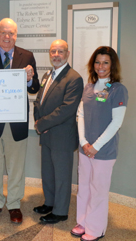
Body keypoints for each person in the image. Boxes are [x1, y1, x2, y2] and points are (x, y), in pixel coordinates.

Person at [0, 18, 40, 224]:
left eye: (11, 33)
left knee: (16, 166)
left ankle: (13, 204)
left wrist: (30, 78)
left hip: (16, 123)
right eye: (3, 32)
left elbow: (34, 88)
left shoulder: (27, 56)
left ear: (16, 35)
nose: (7, 36)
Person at [70, 47, 128, 241]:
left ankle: (96, 229)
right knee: (84, 186)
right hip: (85, 149)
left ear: (112, 65)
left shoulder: (118, 90)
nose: (100, 66)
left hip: (103, 151)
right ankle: (83, 222)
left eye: (105, 62)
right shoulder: (88, 87)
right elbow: (81, 115)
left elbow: (116, 123)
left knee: (98, 190)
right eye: (97, 62)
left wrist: (95, 146)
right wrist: (84, 142)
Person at [33, 39, 83, 224]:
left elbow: (67, 109)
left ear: (67, 54)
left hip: (61, 136)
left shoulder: (74, 78)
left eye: (60, 51)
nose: (56, 55)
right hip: (46, 134)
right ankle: (50, 203)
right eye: (53, 51)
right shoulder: (47, 75)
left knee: (61, 175)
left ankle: (61, 211)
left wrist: (42, 124)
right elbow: (38, 101)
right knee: (48, 172)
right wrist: (38, 121)